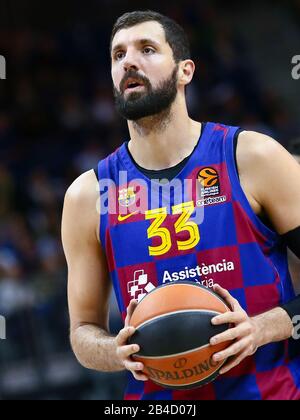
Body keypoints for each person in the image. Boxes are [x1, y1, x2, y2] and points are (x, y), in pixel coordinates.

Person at [62, 11, 300, 400]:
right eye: (117, 55)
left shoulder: (251, 157)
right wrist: (116, 352)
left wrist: (261, 329)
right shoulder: (87, 196)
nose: (129, 61)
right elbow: (82, 333)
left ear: (185, 70)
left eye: (147, 49)